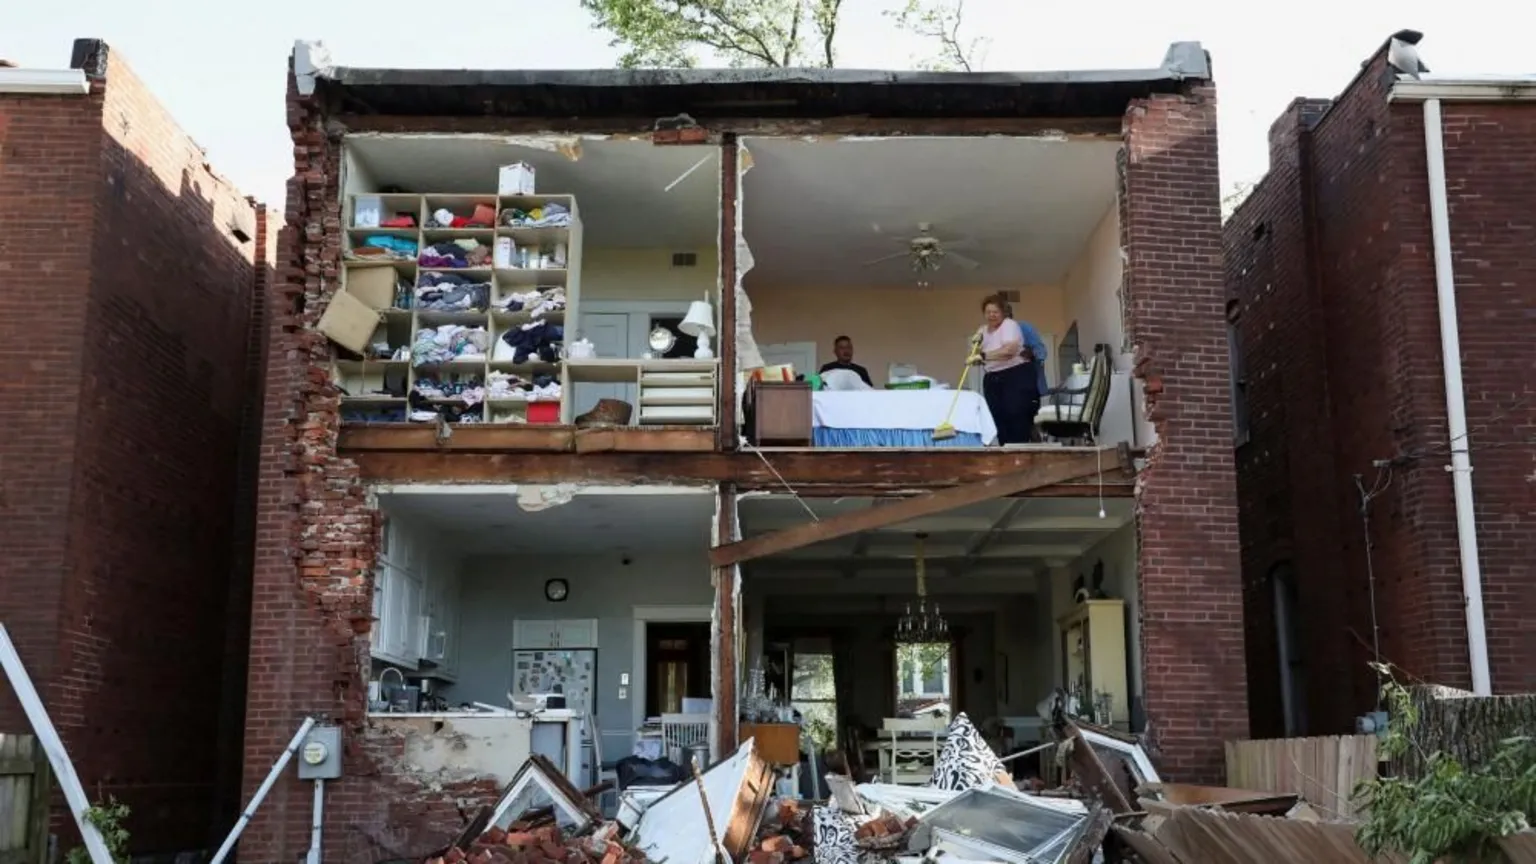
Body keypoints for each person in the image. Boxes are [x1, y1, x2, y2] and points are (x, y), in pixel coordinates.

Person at [974, 293, 1042, 445]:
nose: (992, 315)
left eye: (995, 312)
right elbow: (979, 353)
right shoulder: (982, 330)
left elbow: (1009, 351)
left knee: (1016, 416)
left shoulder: (1009, 324)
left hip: (1015, 375)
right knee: (997, 417)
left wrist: (983, 356)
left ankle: (1018, 452)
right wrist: (976, 357)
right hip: (992, 378)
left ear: (1003, 313)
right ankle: (1005, 451)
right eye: (988, 312)